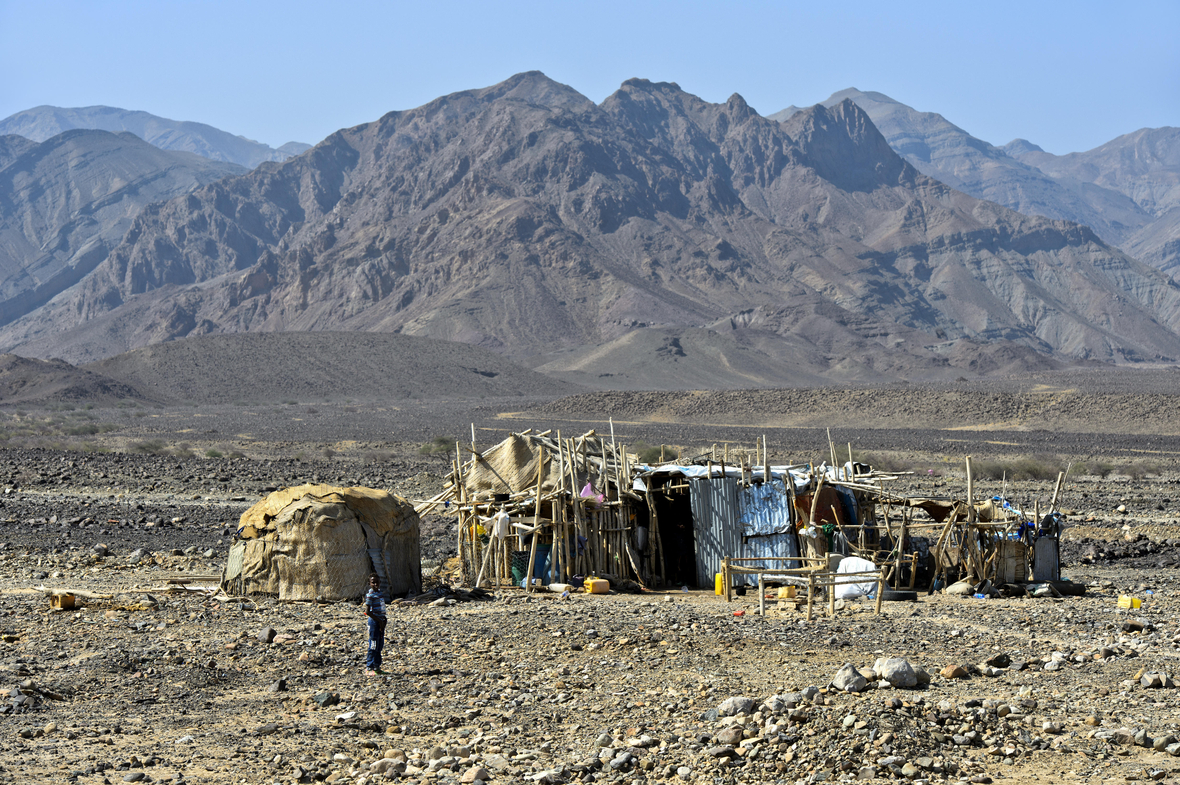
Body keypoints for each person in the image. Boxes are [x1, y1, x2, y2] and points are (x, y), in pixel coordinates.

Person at [363, 573, 387, 676]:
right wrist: (379, 620)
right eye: (373, 582)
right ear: (369, 583)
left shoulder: (380, 593)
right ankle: (369, 667)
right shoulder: (370, 595)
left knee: (380, 644)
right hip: (374, 622)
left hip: (380, 621)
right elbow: (368, 611)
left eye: (377, 582)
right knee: (373, 644)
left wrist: (383, 620)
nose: (375, 584)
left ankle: (377, 667)